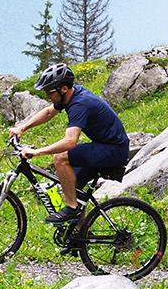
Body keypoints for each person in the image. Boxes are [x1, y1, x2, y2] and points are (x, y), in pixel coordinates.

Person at [8, 63, 130, 224]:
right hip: (105, 146)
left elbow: (70, 142)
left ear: (63, 89)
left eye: (49, 91)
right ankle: (79, 240)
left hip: (113, 150)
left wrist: (37, 152)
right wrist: (22, 128)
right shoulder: (71, 95)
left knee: (60, 158)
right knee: (74, 187)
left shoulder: (80, 104)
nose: (46, 96)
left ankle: (71, 208)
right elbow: (49, 111)